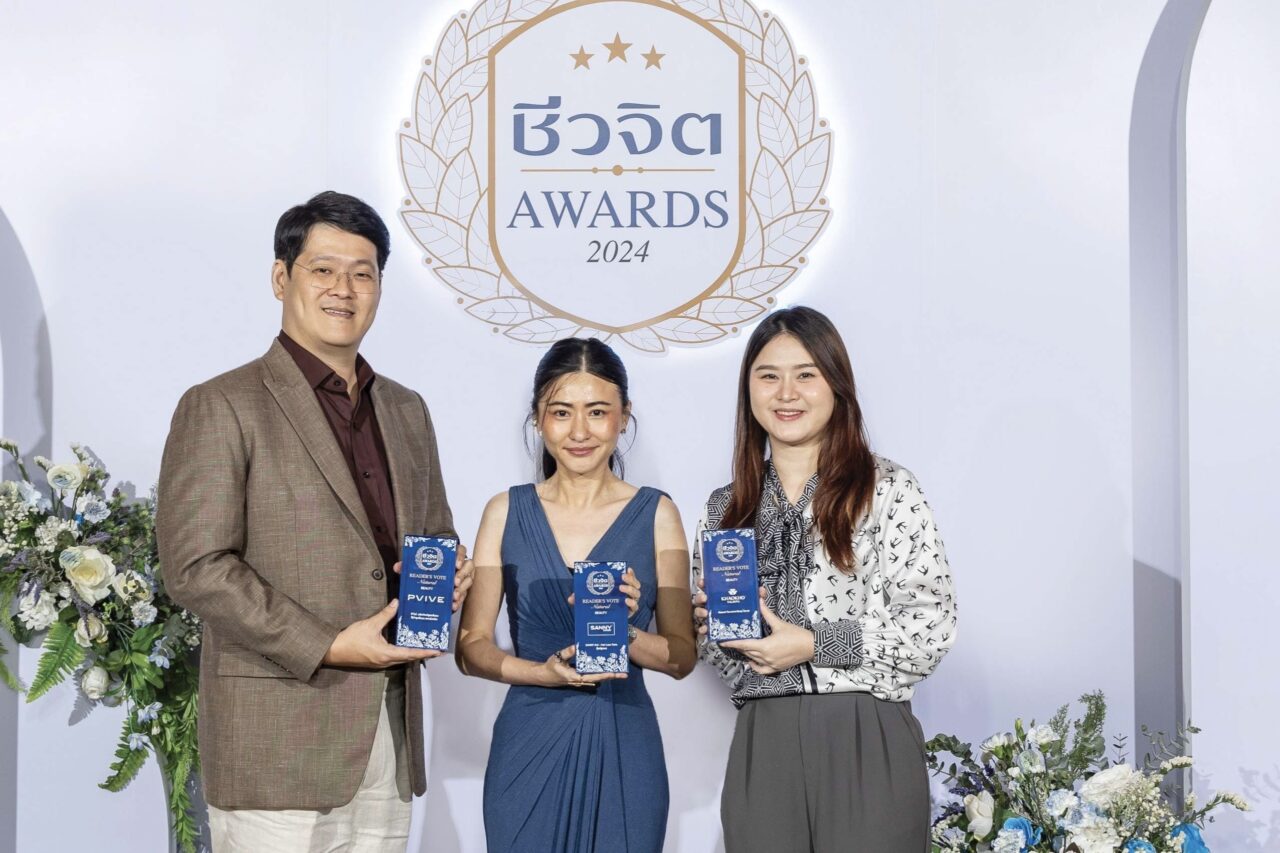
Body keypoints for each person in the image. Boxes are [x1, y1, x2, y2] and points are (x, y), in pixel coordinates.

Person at [157, 191, 473, 853]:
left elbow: (435, 534)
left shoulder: (406, 409)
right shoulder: (221, 403)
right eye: (323, 269)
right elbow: (196, 567)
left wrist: (449, 575)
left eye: (363, 273)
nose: (344, 289)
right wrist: (328, 643)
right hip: (278, 743)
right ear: (282, 277)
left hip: (389, 732)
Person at [691, 306, 957, 852]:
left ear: (836, 384)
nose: (786, 393)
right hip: (763, 737)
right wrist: (720, 631)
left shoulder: (888, 489)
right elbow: (717, 652)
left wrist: (813, 644)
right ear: (748, 390)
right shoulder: (725, 508)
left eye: (806, 374)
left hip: (865, 731)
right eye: (768, 376)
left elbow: (929, 632)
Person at [457, 337, 696, 853]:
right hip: (527, 742)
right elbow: (470, 648)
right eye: (562, 412)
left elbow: (682, 658)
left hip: (623, 742)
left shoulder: (659, 514)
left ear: (624, 417)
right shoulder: (504, 511)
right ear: (538, 419)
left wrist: (626, 632)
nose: (580, 431)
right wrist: (538, 673)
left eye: (598, 412)